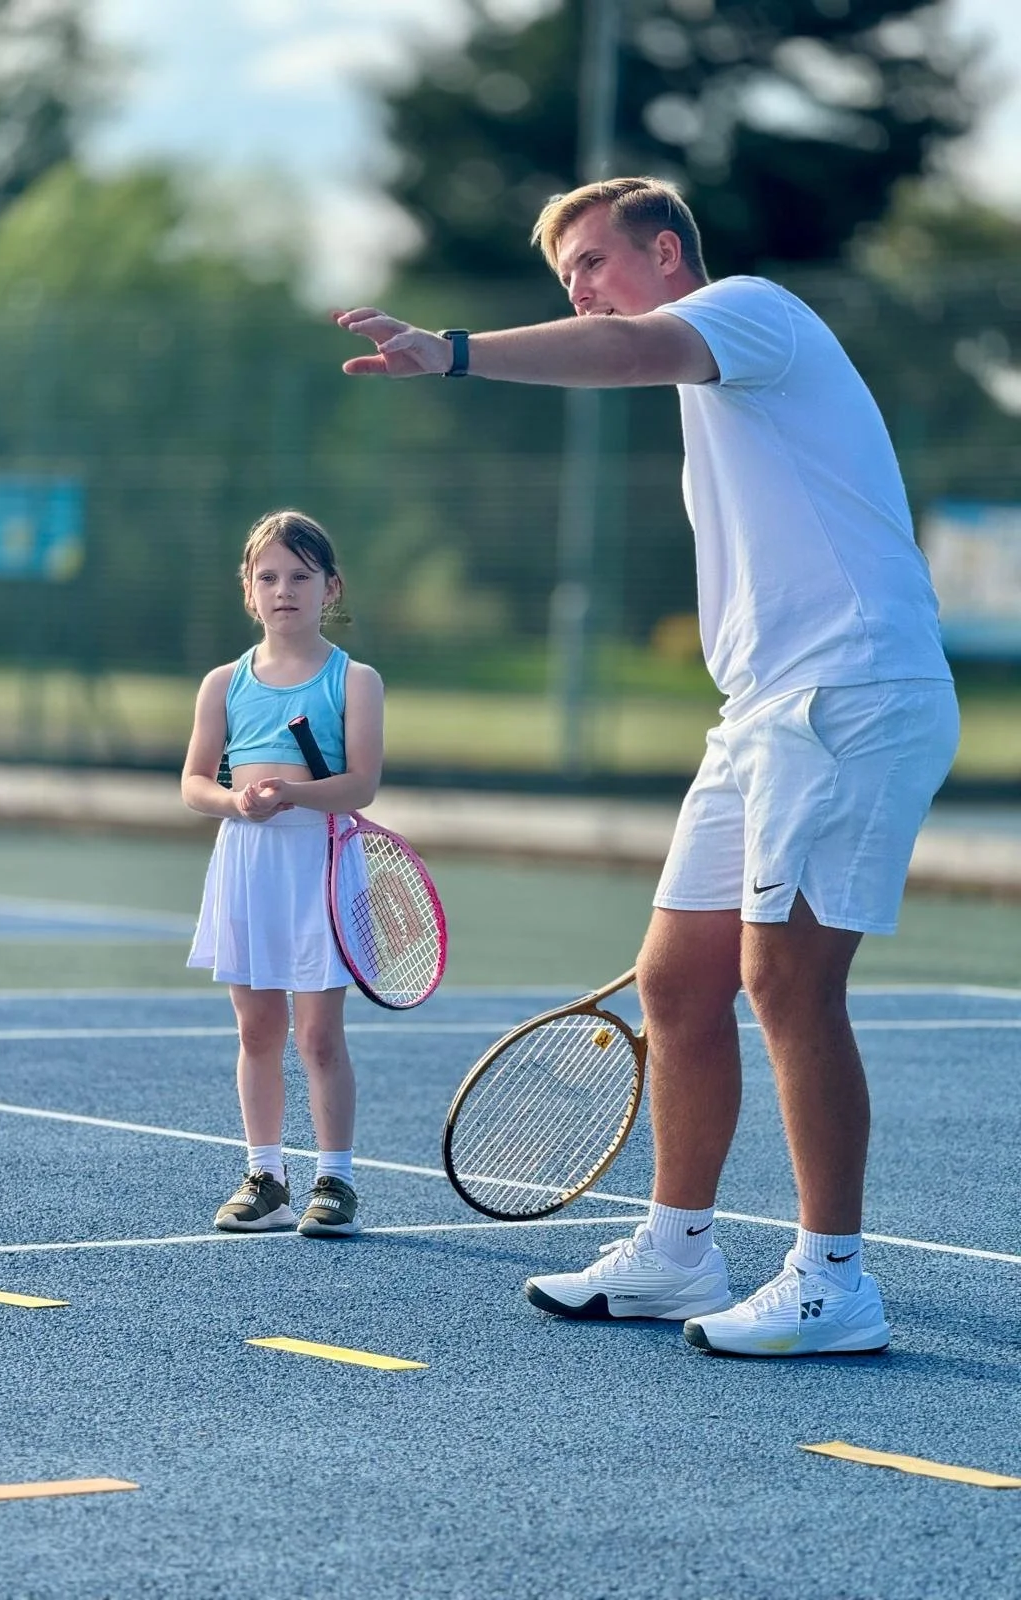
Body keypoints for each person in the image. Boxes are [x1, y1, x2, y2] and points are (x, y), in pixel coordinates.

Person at [334, 176, 959, 1356]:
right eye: (565, 275)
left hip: (854, 694)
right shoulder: (711, 384)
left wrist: (449, 351)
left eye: (590, 264)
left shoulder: (751, 310)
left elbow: (621, 354)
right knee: (677, 983)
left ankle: (835, 1279)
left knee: (786, 983)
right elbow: (624, 354)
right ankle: (679, 1251)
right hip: (763, 713)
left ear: (666, 251)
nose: (577, 291)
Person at [182, 508, 385, 1238]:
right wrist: (237, 801)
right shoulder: (223, 683)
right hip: (246, 861)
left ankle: (336, 1180)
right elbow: (195, 784)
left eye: (300, 575)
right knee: (257, 1028)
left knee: (319, 1036)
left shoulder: (354, 680)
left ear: (331, 587)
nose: (283, 589)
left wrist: (294, 795)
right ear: (248, 590)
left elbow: (361, 785)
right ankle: (266, 1175)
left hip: (321, 863)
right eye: (268, 576)